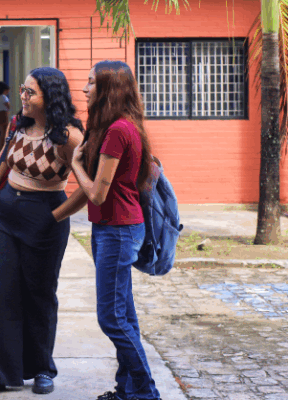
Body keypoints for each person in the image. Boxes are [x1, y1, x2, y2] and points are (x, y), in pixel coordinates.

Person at [0, 67, 84, 399]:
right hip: (7, 214)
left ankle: (42, 369)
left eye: (30, 92)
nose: (22, 96)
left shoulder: (69, 136)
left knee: (40, 294)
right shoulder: (17, 125)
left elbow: (91, 186)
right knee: (1, 294)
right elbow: (5, 159)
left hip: (46, 218)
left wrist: (58, 215)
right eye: (22, 89)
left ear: (50, 97)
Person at [52, 60, 162, 400]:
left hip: (118, 230)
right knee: (124, 315)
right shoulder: (119, 126)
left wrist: (75, 164)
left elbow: (97, 193)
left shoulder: (118, 131)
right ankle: (127, 390)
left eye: (91, 83)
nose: (84, 89)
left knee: (111, 318)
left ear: (108, 89)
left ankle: (146, 393)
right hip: (113, 228)